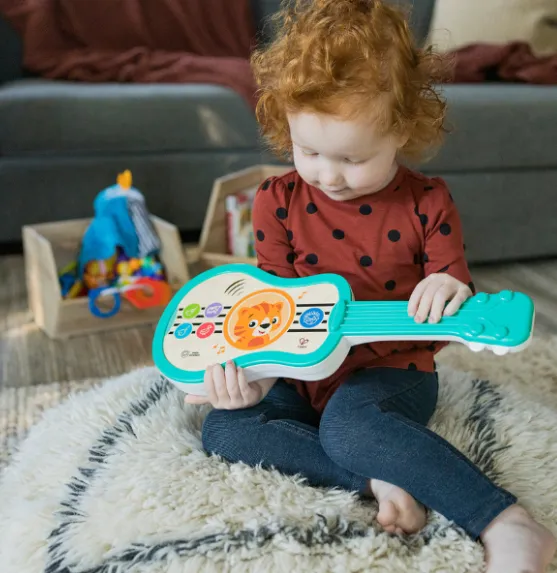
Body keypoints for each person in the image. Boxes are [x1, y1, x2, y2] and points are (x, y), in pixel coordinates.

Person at [187, 1, 556, 571]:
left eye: (352, 158)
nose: (328, 175)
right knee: (227, 429)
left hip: (391, 369)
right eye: (309, 151)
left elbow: (452, 279)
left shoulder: (427, 202)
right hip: (302, 371)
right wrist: (255, 379)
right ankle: (379, 476)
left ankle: (506, 521)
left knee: (351, 426)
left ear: (401, 130)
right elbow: (276, 306)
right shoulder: (275, 202)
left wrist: (447, 286)